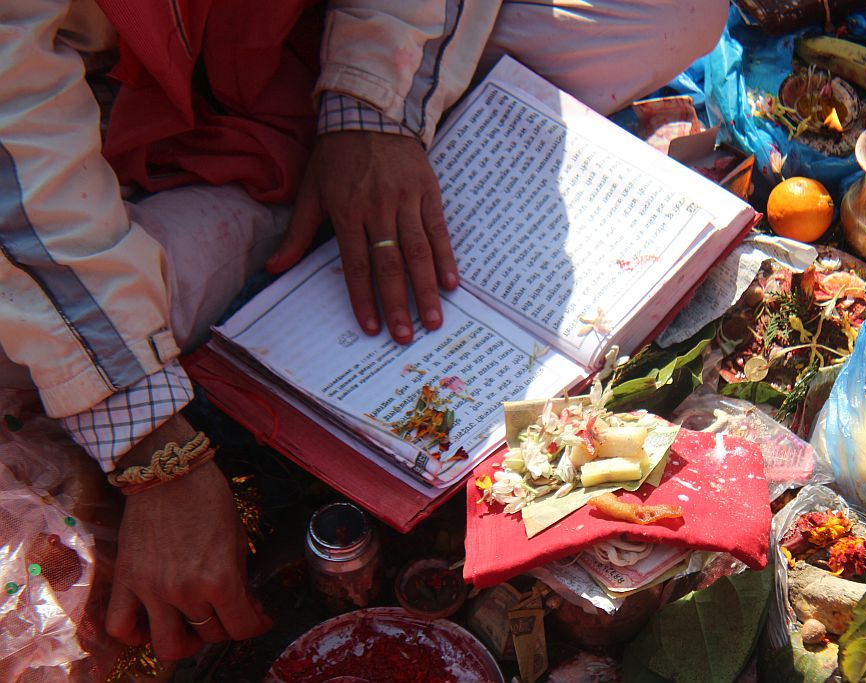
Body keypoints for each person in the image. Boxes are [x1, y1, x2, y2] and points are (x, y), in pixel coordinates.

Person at [0, 0, 729, 663]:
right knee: (32, 346)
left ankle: (382, 169)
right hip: (127, 139)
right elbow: (19, 132)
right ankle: (299, 218)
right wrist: (156, 451)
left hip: (320, 47)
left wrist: (369, 108)